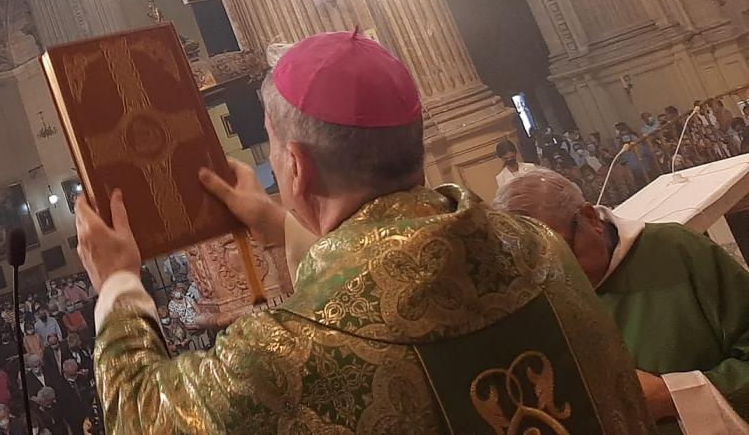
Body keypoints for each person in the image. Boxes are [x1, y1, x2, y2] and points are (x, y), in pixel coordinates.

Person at [74, 30, 652, 433]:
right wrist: (279, 225)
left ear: (295, 166)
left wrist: (119, 282)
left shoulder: (281, 353)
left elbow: (142, 413)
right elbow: (392, 289)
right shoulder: (540, 250)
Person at [494, 169, 749, 431]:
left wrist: (673, 396)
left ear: (590, 217)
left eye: (560, 255)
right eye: (532, 267)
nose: (553, 276)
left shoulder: (676, 251)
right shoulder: (534, 301)